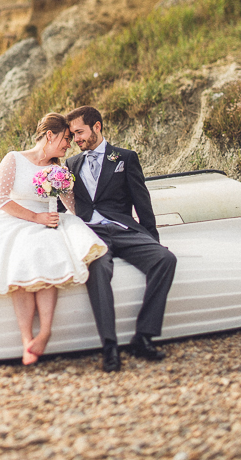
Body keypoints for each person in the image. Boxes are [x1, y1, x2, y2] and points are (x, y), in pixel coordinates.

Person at [0, 113, 107, 365]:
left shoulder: (59, 169)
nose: (69, 144)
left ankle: (45, 332)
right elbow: (1, 200)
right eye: (66, 138)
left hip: (48, 222)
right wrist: (35, 218)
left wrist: (91, 209)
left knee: (46, 260)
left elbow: (72, 206)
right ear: (50, 135)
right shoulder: (13, 159)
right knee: (21, 267)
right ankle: (27, 340)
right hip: (17, 221)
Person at [64, 106, 177, 372]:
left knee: (165, 259)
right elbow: (63, 206)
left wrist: (152, 238)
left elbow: (142, 201)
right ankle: (110, 346)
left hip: (123, 228)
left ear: (97, 126)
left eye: (79, 132)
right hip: (91, 233)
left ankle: (144, 336)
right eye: (73, 134)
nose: (76, 139)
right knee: (99, 270)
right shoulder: (71, 164)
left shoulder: (125, 157)